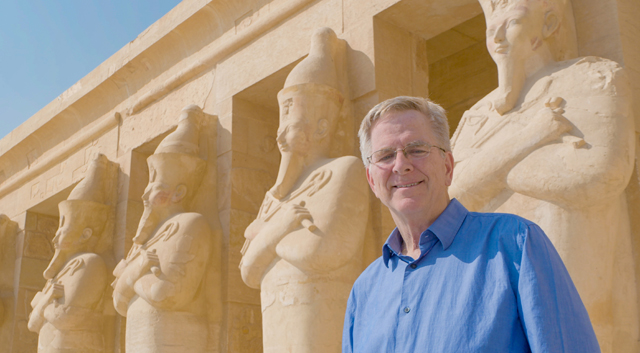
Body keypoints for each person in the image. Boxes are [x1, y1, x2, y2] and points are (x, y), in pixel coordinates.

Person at [342, 96, 599, 353]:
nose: (401, 165)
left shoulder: (516, 243)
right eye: (385, 155)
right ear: (372, 180)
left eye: (417, 149)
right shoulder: (364, 291)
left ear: (447, 167)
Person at [448, 0, 637, 351]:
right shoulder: (477, 116)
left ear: (549, 25)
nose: (498, 39)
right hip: (485, 289)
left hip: (573, 284)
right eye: (492, 31)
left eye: (512, 24)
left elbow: (597, 174)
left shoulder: (592, 77)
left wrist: (496, 171)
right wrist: (529, 140)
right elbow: (448, 199)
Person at [240, 27, 369, 353]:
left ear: (323, 125)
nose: (280, 130)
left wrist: (265, 235)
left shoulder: (344, 170)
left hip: (321, 311)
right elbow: (247, 271)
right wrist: (283, 226)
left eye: (289, 115)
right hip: (276, 311)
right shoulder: (275, 198)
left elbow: (320, 251)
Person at [111, 105, 213, 352]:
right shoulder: (147, 241)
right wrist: (142, 268)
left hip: (174, 336)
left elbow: (166, 294)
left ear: (179, 192)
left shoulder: (191, 224)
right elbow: (117, 302)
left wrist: (132, 273)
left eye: (156, 184)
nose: (145, 192)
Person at [28, 154, 114, 353]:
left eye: (63, 227)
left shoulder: (90, 263)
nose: (55, 235)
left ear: (86, 234)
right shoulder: (62, 272)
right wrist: (47, 302)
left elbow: (66, 317)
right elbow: (32, 324)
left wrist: (43, 301)